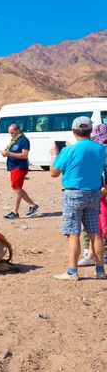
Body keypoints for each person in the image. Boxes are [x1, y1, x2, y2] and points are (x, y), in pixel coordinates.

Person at [50, 116, 106, 280]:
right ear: (90, 131)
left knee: (72, 233)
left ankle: (72, 271)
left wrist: (54, 154)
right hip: (94, 193)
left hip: (73, 194)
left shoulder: (68, 150)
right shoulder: (100, 149)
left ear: (73, 131)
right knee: (95, 233)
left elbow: (53, 173)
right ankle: (100, 270)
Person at [78, 123, 107, 267]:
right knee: (97, 224)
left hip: (100, 192)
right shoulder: (99, 149)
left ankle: (93, 255)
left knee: (99, 224)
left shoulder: (101, 150)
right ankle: (91, 254)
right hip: (98, 191)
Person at [0, 124, 39, 219]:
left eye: (12, 132)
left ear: (17, 130)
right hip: (13, 167)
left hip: (19, 167)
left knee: (17, 189)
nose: (11, 134)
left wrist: (9, 153)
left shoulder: (23, 140)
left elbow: (24, 155)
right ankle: (33, 205)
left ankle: (15, 212)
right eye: (10, 133)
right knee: (16, 189)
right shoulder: (14, 141)